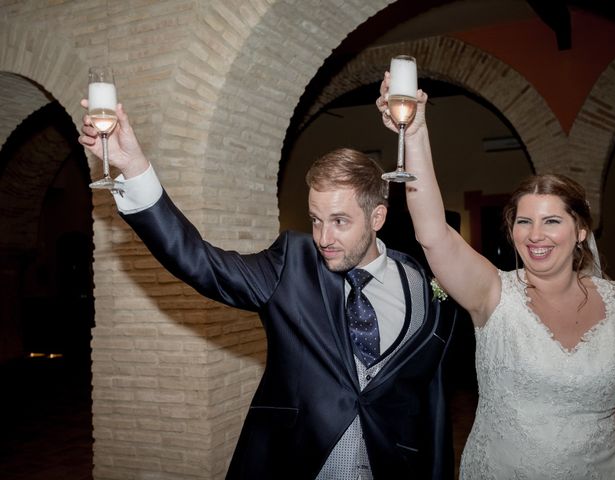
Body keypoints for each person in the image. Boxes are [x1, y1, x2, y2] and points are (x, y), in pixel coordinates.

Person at [79, 99, 459, 479]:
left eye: (340, 221)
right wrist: (133, 168)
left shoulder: (424, 286)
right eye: (316, 219)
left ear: (378, 217)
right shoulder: (289, 264)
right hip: (297, 464)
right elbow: (197, 261)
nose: (324, 237)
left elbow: (433, 402)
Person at [375, 73, 615, 478]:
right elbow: (431, 233)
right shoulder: (494, 294)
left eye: (551, 221)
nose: (535, 235)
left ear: (581, 230)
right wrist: (415, 133)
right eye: (524, 222)